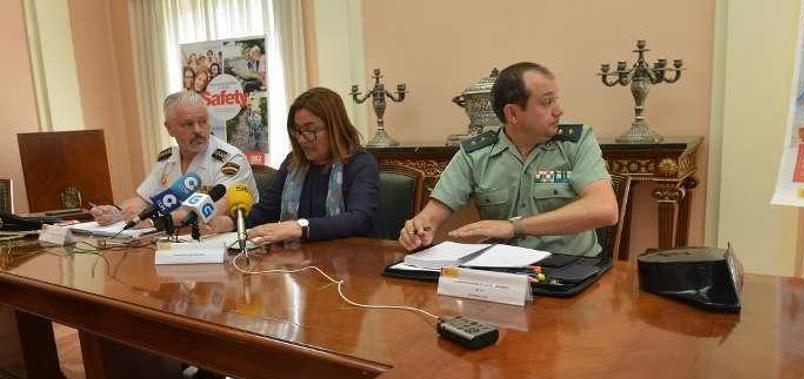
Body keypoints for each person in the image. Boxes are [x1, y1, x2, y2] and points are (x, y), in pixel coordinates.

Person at [399, 62, 617, 256]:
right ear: (513, 114)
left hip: (573, 267)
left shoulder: (576, 143)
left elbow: (604, 209)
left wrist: (515, 227)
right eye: (546, 102)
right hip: (505, 270)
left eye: (556, 100)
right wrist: (419, 228)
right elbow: (433, 214)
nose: (559, 111)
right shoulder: (476, 154)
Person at [212, 87, 381, 244]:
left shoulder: (360, 163)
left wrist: (300, 227)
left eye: (310, 130)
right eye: (297, 130)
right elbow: (265, 211)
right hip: (303, 261)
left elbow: (359, 220)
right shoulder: (293, 163)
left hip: (354, 260)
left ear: (335, 128)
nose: (301, 139)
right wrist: (227, 222)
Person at [90, 91, 259, 228]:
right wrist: (116, 212)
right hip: (176, 240)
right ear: (169, 128)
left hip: (223, 243)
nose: (198, 130)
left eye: (203, 121)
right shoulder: (167, 159)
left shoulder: (230, 159)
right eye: (188, 124)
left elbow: (217, 209)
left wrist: (153, 222)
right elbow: (144, 200)